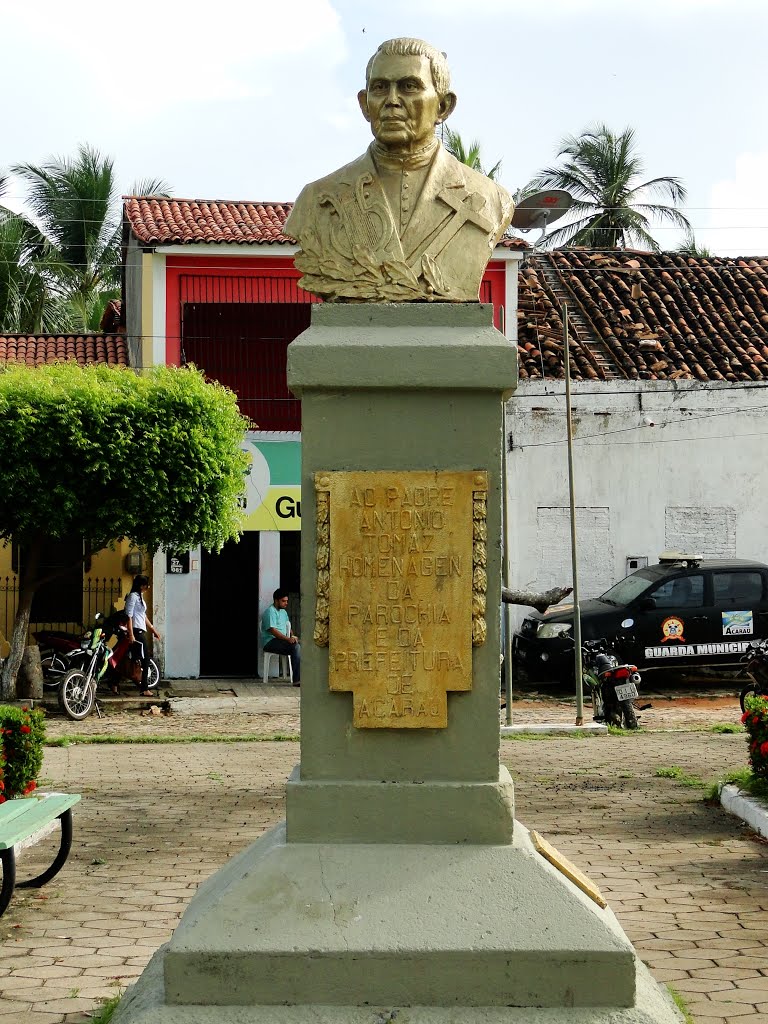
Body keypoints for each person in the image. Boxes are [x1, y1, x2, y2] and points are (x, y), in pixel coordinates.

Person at [285, 36, 513, 303]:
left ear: (443, 106)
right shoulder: (317, 199)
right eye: (380, 87)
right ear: (364, 104)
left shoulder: (491, 199)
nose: (392, 100)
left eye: (409, 86)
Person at [124, 574, 160, 696]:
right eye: (146, 585)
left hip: (140, 631)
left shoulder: (140, 597)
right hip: (136, 632)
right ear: (141, 586)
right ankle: (144, 689)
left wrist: (152, 629)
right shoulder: (133, 597)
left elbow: (142, 616)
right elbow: (128, 616)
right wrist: (131, 634)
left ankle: (115, 682)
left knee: (134, 659)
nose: (147, 587)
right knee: (145, 660)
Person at [261, 589, 301, 686]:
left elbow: (288, 627)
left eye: (287, 601)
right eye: (283, 601)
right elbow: (273, 631)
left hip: (282, 641)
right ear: (276, 600)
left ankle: (303, 677)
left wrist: (292, 636)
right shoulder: (270, 611)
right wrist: (288, 639)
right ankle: (297, 680)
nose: (286, 603)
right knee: (295, 647)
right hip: (270, 642)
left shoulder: (284, 612)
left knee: (301, 645)